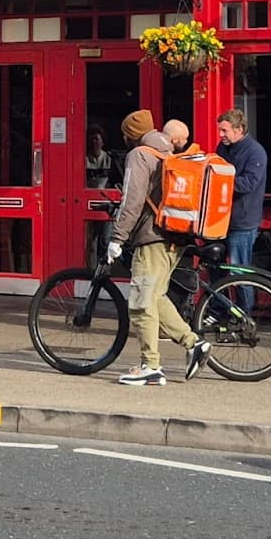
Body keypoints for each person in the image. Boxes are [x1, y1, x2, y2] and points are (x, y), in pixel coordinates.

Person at [106, 109, 209, 386]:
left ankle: (150, 365)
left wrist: (117, 238)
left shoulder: (140, 155)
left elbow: (132, 200)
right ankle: (193, 343)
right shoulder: (168, 153)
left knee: (140, 303)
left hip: (151, 239)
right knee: (157, 296)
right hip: (173, 238)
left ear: (131, 136)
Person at [216, 108, 268, 275]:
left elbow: (248, 183)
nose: (221, 135)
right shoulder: (223, 148)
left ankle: (244, 303)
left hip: (242, 221)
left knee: (239, 272)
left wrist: (219, 182)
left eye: (225, 130)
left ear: (239, 130)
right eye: (220, 130)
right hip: (221, 218)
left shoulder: (255, 152)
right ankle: (218, 301)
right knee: (215, 267)